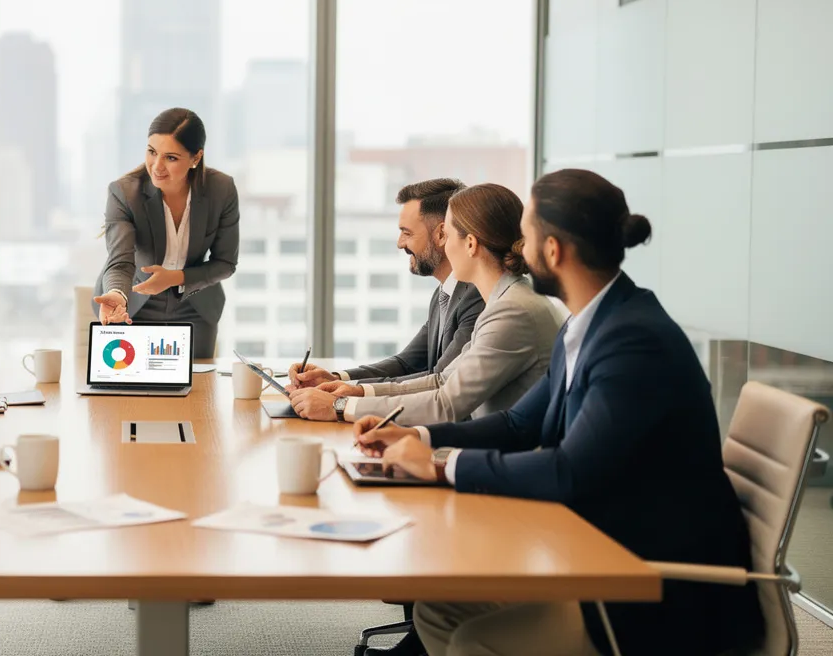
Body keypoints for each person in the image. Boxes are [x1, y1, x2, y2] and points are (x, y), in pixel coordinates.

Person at [354, 169, 762, 656]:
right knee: (440, 608)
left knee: (471, 640)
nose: (515, 249)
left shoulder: (633, 342)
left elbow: (570, 471)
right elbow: (519, 422)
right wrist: (416, 439)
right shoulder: (590, 323)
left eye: (525, 236)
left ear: (553, 252)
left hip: (649, 587)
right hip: (598, 547)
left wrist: (443, 466)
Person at [289, 184, 564, 426]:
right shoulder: (503, 301)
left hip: (503, 460)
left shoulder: (511, 310)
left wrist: (339, 408)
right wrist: (355, 392)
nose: (445, 246)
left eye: (450, 234)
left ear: (469, 244)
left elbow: (446, 404)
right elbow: (442, 380)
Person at [290, 179, 483, 390]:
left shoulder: (476, 296)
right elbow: (406, 363)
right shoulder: (443, 294)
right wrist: (336, 379)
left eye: (407, 233)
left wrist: (354, 391)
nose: (400, 243)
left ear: (441, 234)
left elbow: (439, 381)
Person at [93, 108, 238, 358]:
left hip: (195, 307)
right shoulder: (124, 193)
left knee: (198, 388)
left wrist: (175, 278)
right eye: (152, 152)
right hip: (133, 306)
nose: (157, 166)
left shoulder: (221, 189)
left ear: (196, 157)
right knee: (131, 390)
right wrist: (117, 294)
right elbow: (120, 261)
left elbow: (225, 263)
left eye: (170, 157)